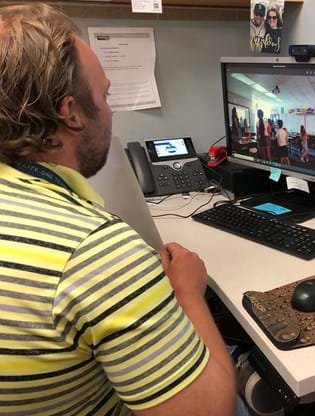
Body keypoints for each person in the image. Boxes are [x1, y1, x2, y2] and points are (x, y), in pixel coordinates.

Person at [0, 4, 239, 415]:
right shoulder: (94, 253)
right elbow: (210, 411)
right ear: (71, 112)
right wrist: (187, 292)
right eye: (105, 95)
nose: (111, 111)